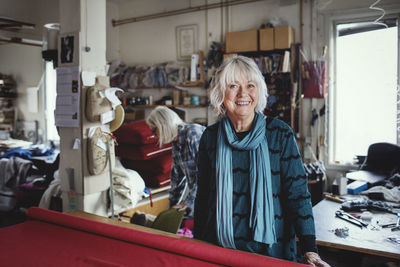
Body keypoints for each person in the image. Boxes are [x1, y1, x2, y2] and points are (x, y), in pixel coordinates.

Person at [194, 56, 330, 266]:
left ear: (259, 91)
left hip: (272, 254)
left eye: (250, 85)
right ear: (220, 93)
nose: (243, 94)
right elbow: (203, 197)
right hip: (220, 251)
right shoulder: (210, 137)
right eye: (233, 86)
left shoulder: (280, 134)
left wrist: (310, 249)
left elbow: (299, 196)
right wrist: (196, 248)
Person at [146, 106, 205, 221]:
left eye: (154, 130)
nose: (154, 135)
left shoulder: (193, 134)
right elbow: (176, 181)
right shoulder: (176, 145)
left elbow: (206, 175)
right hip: (202, 198)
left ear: (164, 124)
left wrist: (189, 201)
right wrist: (170, 211)